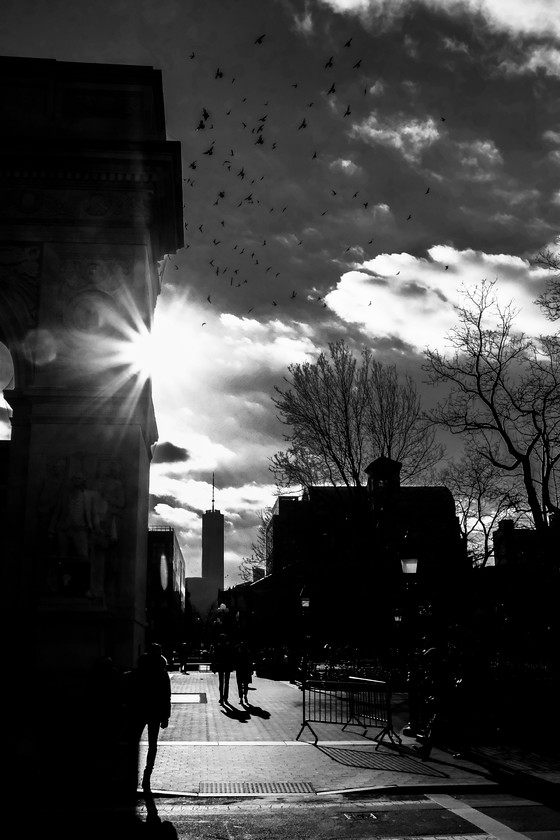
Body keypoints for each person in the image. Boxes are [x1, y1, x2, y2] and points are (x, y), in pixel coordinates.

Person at [123, 642, 171, 790]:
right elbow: (166, 696)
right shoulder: (162, 672)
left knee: (133, 742)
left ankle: (132, 771)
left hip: (138, 710)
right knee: (152, 744)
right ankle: (147, 774)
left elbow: (130, 691)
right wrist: (165, 716)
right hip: (155, 712)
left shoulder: (139, 670)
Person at [210, 633, 234, 704]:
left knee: (221, 682)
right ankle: (225, 698)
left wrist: (214, 667)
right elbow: (231, 656)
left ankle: (221, 698)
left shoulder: (218, 646)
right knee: (226, 683)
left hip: (220, 666)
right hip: (227, 666)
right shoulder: (228, 646)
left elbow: (214, 656)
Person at [234, 640, 253, 704]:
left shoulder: (238, 653)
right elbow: (250, 662)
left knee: (239, 684)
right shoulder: (247, 653)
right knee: (245, 684)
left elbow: (236, 662)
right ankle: (245, 695)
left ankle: (241, 697)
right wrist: (251, 670)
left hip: (240, 670)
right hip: (246, 670)